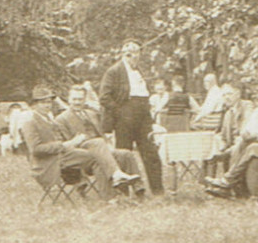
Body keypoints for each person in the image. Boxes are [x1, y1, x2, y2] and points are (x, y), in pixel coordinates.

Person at [21, 86, 138, 201]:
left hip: (63, 155)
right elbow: (35, 149)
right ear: (35, 104)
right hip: (49, 163)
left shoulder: (48, 118)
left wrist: (69, 144)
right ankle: (112, 194)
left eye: (49, 102)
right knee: (96, 155)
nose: (47, 105)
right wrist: (66, 145)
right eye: (42, 102)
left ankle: (113, 195)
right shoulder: (30, 122)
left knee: (99, 156)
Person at [51, 84, 145, 195]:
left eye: (80, 99)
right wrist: (76, 141)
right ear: (68, 99)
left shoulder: (92, 114)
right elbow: (64, 146)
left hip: (102, 151)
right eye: (74, 99)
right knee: (97, 142)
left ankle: (138, 189)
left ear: (85, 100)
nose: (77, 102)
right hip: (83, 156)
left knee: (125, 154)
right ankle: (116, 176)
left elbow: (102, 134)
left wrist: (108, 146)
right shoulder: (61, 119)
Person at [99, 41, 164, 193]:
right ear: (124, 55)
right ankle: (126, 191)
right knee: (124, 154)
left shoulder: (139, 71)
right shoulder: (114, 71)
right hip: (124, 120)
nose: (135, 58)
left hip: (143, 118)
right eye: (131, 55)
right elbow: (104, 97)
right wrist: (120, 112)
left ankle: (158, 190)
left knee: (151, 154)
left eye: (137, 55)